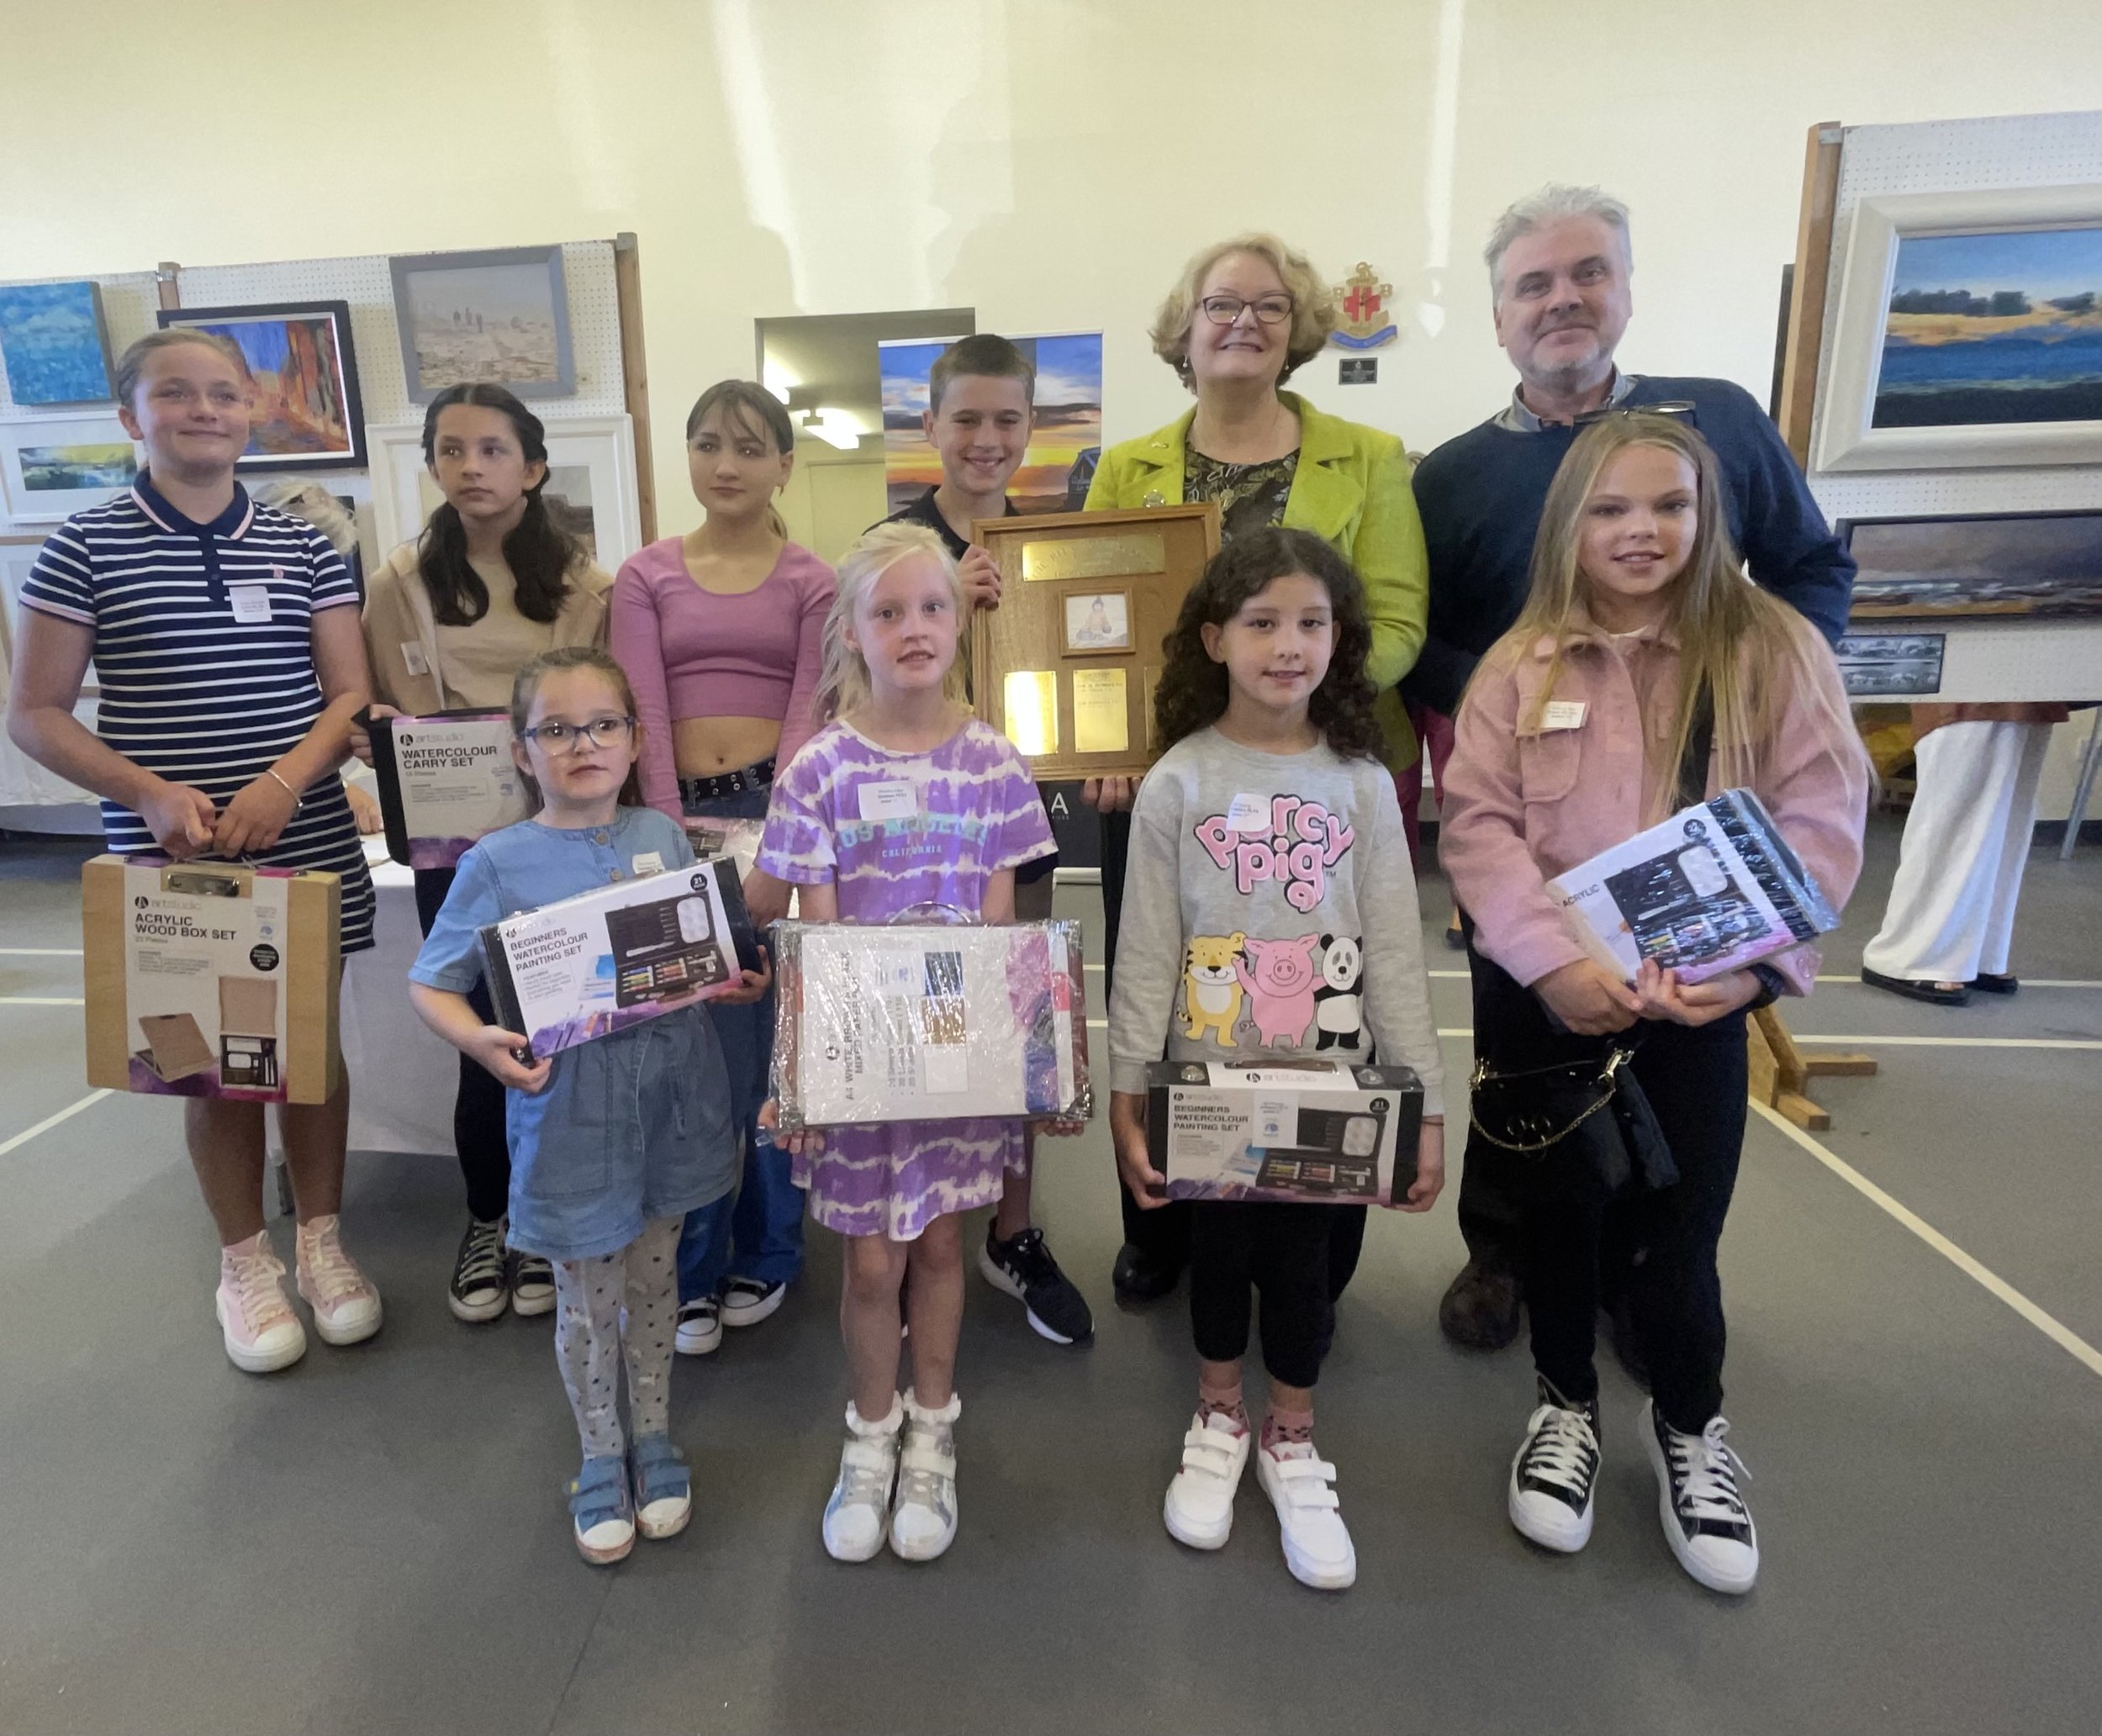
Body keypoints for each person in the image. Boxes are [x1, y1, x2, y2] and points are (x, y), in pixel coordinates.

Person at [1404, 184, 1856, 1353]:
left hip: (1697, 837)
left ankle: (1646, 1280)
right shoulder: (1450, 476)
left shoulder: (1721, 423)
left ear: (1625, 288)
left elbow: (1811, 569)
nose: (1562, 300)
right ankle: (1503, 1252)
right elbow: (1419, 637)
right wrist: (1510, 697)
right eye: (1533, 284)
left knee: (1681, 1084)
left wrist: (1763, 682)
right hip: (1531, 832)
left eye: (1586, 273)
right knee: (1518, 1056)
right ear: (1498, 316)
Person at [1439, 414, 1867, 1594]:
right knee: (1559, 1220)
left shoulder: (1770, 648)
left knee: (1683, 1235)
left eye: (1669, 506)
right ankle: (1563, 1404)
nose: (1641, 531)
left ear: (1707, 515)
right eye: (1611, 509)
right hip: (1552, 1002)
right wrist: (1548, 964)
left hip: (1698, 1006)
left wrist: (1754, 971)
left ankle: (1689, 1423)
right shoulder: (1518, 663)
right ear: (1568, 524)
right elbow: (1478, 825)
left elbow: (1821, 819)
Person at [6, 329, 381, 1374]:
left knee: (306, 1049)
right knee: (206, 1062)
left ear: (254, 409)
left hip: (302, 836)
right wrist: (146, 792)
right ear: (131, 416)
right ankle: (244, 1262)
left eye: (223, 392)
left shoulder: (304, 543)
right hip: (173, 856)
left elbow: (348, 693)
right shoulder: (84, 545)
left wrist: (282, 784)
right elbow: (34, 711)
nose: (204, 410)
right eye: (176, 393)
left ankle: (322, 1241)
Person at [1085, 231, 1430, 1306]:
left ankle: (1314, 1219)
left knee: (1317, 995)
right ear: (1183, 329)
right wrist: (1123, 746)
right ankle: (1163, 1216)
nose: (1244, 320)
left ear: (1299, 328)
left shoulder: (1369, 455)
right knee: (1166, 984)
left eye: (1269, 305)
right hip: (1163, 775)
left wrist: (1299, 704)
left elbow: (1395, 617)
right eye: (1221, 304)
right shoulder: (1125, 465)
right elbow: (1097, 625)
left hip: (1319, 771)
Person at [1106, 526, 1445, 1591]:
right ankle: (1218, 1414)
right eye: (1261, 622)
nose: (1287, 644)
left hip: (1332, 1085)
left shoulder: (1361, 785)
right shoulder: (1178, 781)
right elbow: (1145, 948)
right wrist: (1127, 1090)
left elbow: (1395, 954)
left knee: (1304, 1267)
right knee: (1217, 1256)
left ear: (1339, 640)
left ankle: (1289, 1433)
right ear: (1214, 639)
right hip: (1206, 1087)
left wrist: (1427, 1108)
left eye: (1310, 622)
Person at [406, 646, 767, 1565]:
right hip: (572, 1117)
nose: (583, 744)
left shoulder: (664, 836)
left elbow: (697, 957)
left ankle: (654, 1435)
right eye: (556, 729)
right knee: (586, 1297)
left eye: (603, 724)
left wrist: (728, 978)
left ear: (636, 738)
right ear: (521, 750)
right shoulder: (496, 861)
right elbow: (431, 981)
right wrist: (481, 1041)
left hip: (673, 1101)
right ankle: (601, 1453)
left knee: (656, 1278)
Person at [755, 522, 1063, 1565]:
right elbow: (814, 937)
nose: (914, 627)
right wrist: (810, 1077)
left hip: (953, 1063)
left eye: (932, 606)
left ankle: (932, 1431)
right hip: (862, 1074)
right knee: (870, 1264)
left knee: (939, 1249)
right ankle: (869, 1433)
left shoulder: (994, 762)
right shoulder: (820, 769)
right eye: (887, 612)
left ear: (961, 619)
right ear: (851, 632)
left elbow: (1003, 932)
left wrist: (1023, 1069)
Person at [356, 383, 615, 1325]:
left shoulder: (586, 587)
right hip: (454, 852)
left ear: (533, 466)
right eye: (451, 450)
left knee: (563, 1027)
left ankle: (546, 1221)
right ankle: (488, 1215)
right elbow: (380, 704)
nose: (472, 467)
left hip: (559, 840)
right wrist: (382, 732)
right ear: (432, 464)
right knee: (480, 1039)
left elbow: (600, 710)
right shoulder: (397, 582)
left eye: (494, 449)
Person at [874, 332, 1091, 1347]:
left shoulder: (1056, 544)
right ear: (929, 425)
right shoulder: (890, 546)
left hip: (1018, 828)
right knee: (918, 1029)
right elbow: (857, 681)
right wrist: (943, 604)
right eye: (966, 418)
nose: (986, 438)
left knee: (1017, 1028)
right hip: (908, 848)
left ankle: (1012, 1230)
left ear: (1032, 428)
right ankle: (916, 1227)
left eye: (1008, 418)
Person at [611, 381, 833, 1356]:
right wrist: (667, 841)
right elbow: (641, 710)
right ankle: (690, 1267)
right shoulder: (645, 575)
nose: (726, 464)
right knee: (689, 1063)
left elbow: (810, 711)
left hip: (777, 822)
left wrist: (779, 839)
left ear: (785, 463)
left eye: (748, 447)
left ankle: (770, 1250)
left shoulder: (815, 581)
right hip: (672, 826)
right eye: (706, 444)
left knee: (777, 1054)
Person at [1859, 703, 2071, 1005]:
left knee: (2009, 815)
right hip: (1975, 690)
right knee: (1960, 808)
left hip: (2028, 687)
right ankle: (1908, 956)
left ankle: (1977, 956)